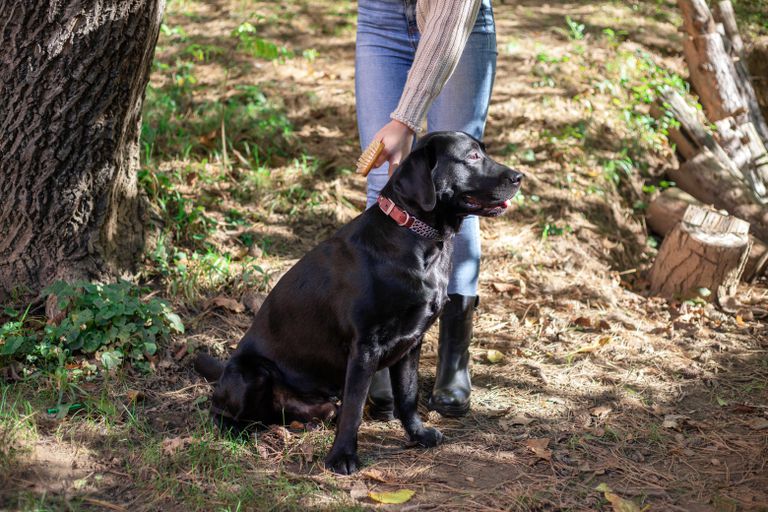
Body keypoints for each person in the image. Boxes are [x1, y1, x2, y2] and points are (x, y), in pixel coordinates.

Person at [355, 0, 497, 418]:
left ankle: (454, 359)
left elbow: (452, 13)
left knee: (459, 191)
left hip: (456, 24)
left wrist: (405, 119)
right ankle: (382, 350)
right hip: (380, 18)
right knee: (384, 183)